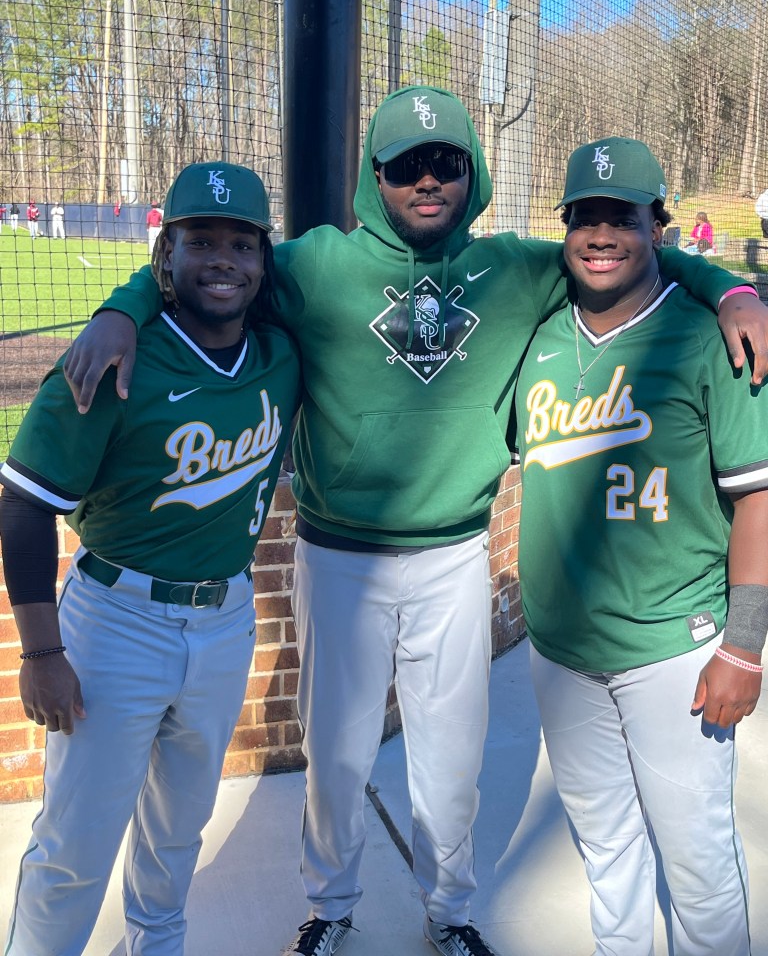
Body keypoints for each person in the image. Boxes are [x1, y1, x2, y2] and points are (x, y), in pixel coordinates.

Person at [61, 88, 768, 956]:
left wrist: (732, 287)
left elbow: (632, 250)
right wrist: (123, 307)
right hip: (338, 556)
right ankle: (331, 907)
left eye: (446, 162)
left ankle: (450, 912)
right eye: (405, 165)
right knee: (337, 757)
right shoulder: (316, 266)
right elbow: (211, 267)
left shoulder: (517, 268)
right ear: (375, 176)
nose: (427, 180)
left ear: (472, 172)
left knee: (451, 761)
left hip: (453, 553)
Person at [0, 161, 300, 956]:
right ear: (166, 251)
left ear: (264, 260)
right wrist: (41, 653)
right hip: (116, 622)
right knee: (75, 844)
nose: (223, 260)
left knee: (178, 830)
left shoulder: (280, 353)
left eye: (242, 243)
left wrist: (125, 301)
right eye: (201, 240)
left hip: (226, 619)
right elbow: (23, 504)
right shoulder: (111, 360)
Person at [514, 136, 768, 956]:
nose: (600, 235)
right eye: (584, 216)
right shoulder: (541, 336)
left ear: (657, 227)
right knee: (607, 854)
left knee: (698, 868)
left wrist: (745, 647)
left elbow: (759, 499)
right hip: (561, 653)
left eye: (621, 217)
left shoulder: (709, 340)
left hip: (673, 652)